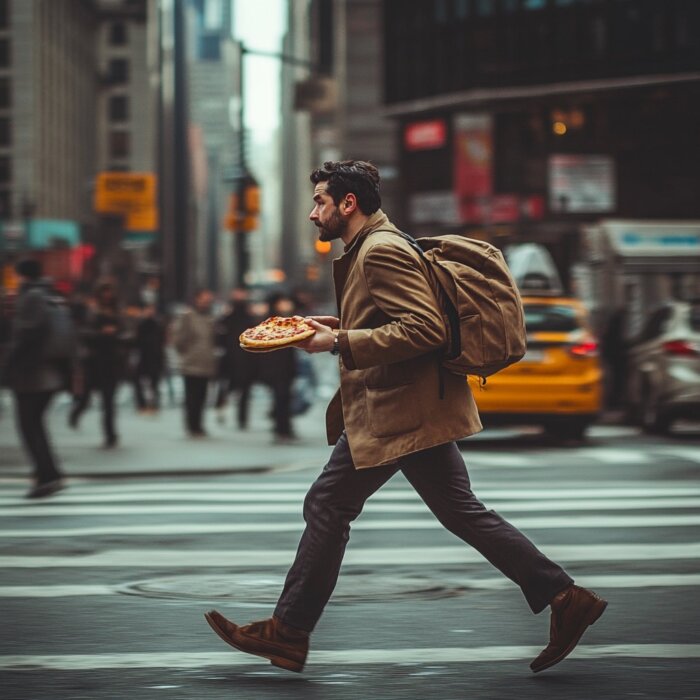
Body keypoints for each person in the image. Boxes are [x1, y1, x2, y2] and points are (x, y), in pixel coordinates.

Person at [203, 160, 608, 675]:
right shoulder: (374, 246)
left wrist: (340, 341)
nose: (312, 213)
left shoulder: (381, 251)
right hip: (409, 407)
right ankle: (564, 597)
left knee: (328, 506)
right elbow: (398, 318)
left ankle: (288, 633)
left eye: (320, 202)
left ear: (348, 204)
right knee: (459, 511)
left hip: (397, 411)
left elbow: (425, 329)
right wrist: (341, 323)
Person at [2, 259, 67, 498]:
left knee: (29, 426)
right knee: (34, 425)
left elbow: (26, 335)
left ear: (23, 276)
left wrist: (7, 366)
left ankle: (47, 476)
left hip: (33, 376)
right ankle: (49, 473)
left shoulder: (32, 297)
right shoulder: (47, 295)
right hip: (44, 374)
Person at [69, 280, 129, 448]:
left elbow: (127, 333)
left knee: (109, 401)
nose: (107, 295)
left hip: (112, 361)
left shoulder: (118, 312)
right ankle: (76, 412)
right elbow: (82, 333)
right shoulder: (91, 310)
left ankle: (110, 435)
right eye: (105, 292)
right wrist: (101, 333)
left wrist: (117, 335)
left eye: (110, 292)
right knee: (86, 396)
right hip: (94, 361)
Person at [173, 288, 216, 437]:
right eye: (203, 299)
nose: (205, 303)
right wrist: (186, 354)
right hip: (191, 364)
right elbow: (178, 340)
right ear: (196, 299)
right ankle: (192, 426)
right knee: (192, 397)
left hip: (206, 363)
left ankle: (199, 425)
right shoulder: (187, 316)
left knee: (202, 396)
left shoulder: (210, 318)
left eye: (208, 300)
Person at [215, 288, 258, 429]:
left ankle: (242, 418)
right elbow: (220, 334)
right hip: (233, 358)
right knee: (228, 387)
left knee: (242, 390)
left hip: (243, 358)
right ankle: (225, 410)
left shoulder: (246, 315)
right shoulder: (230, 315)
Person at [259, 292, 299, 443]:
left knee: (283, 399)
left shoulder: (285, 320)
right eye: (283, 301)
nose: (287, 304)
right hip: (278, 370)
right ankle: (282, 429)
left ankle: (284, 428)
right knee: (281, 399)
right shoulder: (274, 323)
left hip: (284, 369)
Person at [134, 303, 166, 413]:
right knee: (138, 382)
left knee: (155, 384)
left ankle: (153, 405)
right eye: (148, 310)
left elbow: (161, 342)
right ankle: (142, 404)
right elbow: (136, 341)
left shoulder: (158, 325)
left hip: (155, 358)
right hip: (143, 357)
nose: (150, 312)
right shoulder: (140, 324)